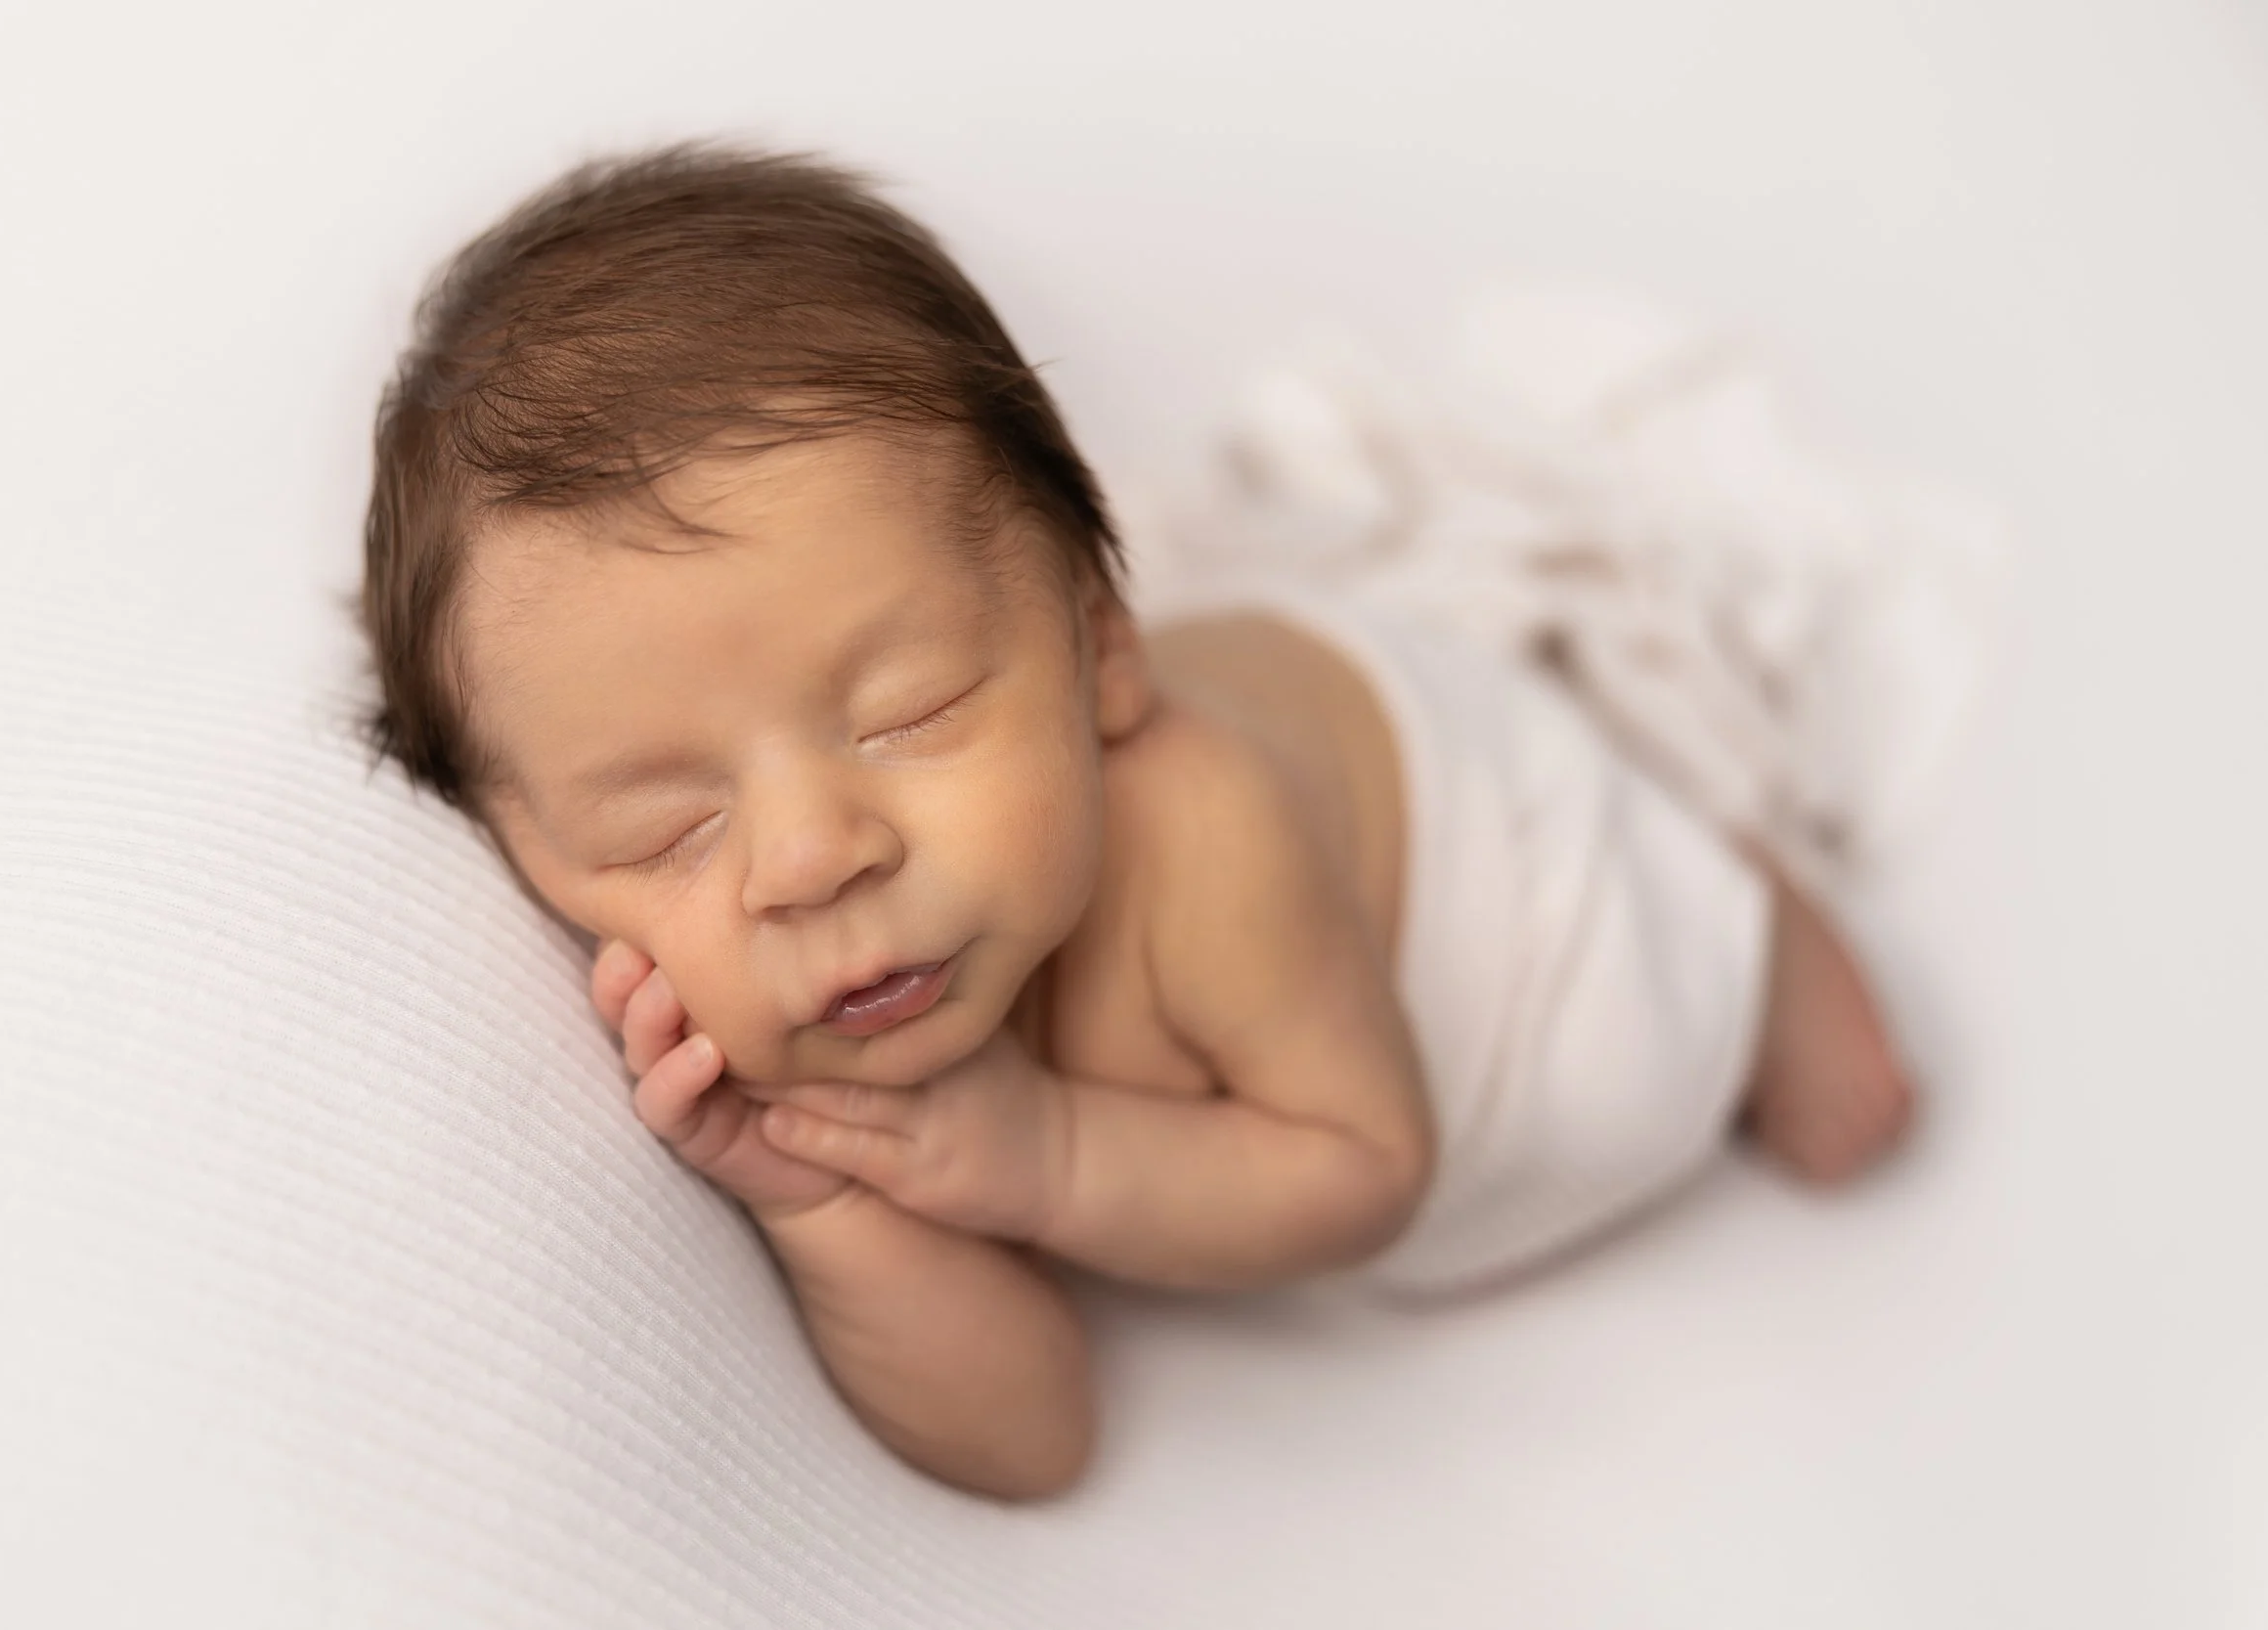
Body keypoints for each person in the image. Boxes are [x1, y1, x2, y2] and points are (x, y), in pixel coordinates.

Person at [358, 144, 1915, 1501]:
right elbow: (1033, 1438)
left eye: (906, 712)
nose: (815, 854)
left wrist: (1051, 1158)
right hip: (1271, 714)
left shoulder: (1202, 837)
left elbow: (1367, 1165)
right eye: (664, 829)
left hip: (1489, 839)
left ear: (1100, 648)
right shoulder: (820, 988)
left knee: (1622, 1076)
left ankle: (1744, 906)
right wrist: (826, 1199)